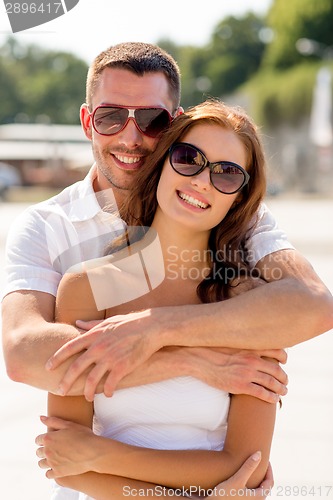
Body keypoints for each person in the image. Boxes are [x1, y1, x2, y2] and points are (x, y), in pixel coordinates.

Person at [1, 41, 293, 405]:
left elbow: (310, 303)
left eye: (151, 120)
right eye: (110, 117)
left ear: (175, 124)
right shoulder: (43, 225)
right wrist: (189, 360)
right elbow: (23, 354)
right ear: (86, 121)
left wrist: (156, 328)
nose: (130, 138)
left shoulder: (227, 210)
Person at [35, 99, 280, 500]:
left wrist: (100, 453)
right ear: (162, 162)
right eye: (189, 158)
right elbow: (66, 467)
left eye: (227, 173)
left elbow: (245, 467)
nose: (203, 180)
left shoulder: (251, 304)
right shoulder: (87, 287)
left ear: (240, 195)